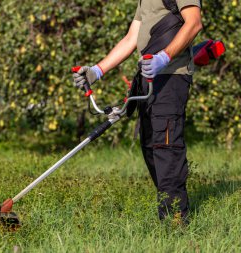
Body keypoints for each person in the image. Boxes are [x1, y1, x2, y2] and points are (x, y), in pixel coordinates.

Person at [73, 0, 203, 222]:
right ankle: (170, 207)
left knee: (166, 146)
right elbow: (131, 38)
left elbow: (194, 23)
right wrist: (96, 70)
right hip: (148, 77)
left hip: (171, 76)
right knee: (151, 146)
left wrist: (165, 57)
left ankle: (176, 221)